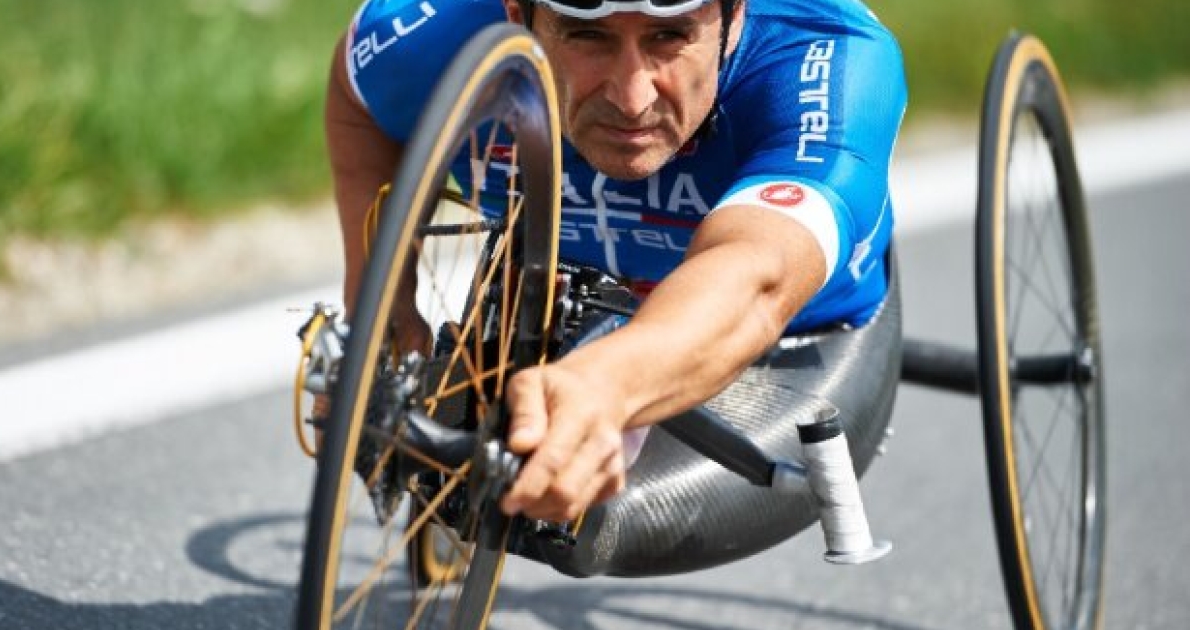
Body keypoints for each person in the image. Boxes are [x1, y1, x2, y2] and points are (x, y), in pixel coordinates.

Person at [324, 0, 906, 525]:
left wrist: (606, 385)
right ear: (516, 14)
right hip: (573, 288)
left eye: (669, 36)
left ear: (734, 17)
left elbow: (757, 277)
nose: (632, 99)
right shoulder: (431, 33)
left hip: (792, 335)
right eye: (587, 35)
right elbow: (359, 101)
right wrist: (383, 306)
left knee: (595, 522)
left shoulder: (829, 57)